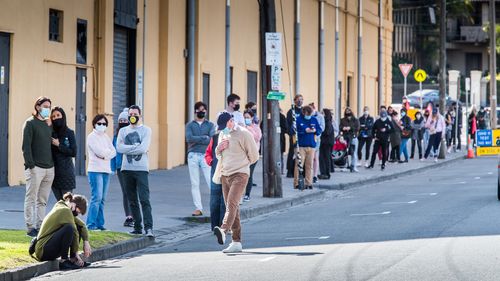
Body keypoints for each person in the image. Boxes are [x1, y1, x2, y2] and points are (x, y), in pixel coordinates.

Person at [213, 112, 259, 253]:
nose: (222, 129)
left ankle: (223, 229)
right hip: (225, 174)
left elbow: (254, 156)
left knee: (232, 203)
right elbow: (218, 154)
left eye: (224, 125)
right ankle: (236, 242)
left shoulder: (244, 134)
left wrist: (243, 166)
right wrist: (218, 148)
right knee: (232, 207)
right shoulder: (222, 134)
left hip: (240, 174)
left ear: (231, 121)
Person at [117, 105, 154, 237]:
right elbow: (119, 148)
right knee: (132, 200)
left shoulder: (146, 130)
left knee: (144, 199)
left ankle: (148, 227)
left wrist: (129, 148)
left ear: (140, 115)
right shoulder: (123, 131)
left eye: (135, 114)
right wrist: (134, 147)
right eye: (130, 114)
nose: (132, 116)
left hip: (141, 169)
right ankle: (137, 227)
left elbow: (143, 148)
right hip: (126, 169)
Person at [23, 97, 55, 237]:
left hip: (49, 168)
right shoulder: (30, 123)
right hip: (35, 168)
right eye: (45, 106)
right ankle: (30, 228)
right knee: (31, 198)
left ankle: (40, 226)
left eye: (49, 106)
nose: (48, 109)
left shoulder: (48, 124)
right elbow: (26, 147)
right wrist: (31, 165)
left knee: (42, 200)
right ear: (37, 107)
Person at [33, 192, 91, 270]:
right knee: (69, 228)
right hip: (43, 250)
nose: (77, 214)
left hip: (48, 247)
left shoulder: (64, 207)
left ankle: (73, 260)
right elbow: (74, 232)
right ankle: (64, 260)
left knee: (77, 226)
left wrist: (86, 242)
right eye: (77, 212)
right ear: (73, 204)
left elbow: (82, 225)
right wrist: (76, 253)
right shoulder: (64, 210)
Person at [86, 114, 116, 231]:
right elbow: (99, 152)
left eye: (104, 124)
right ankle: (90, 224)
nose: (102, 126)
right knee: (96, 197)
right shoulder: (91, 137)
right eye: (99, 123)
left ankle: (100, 224)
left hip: (106, 171)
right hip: (95, 170)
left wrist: (105, 155)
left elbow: (113, 151)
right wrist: (106, 154)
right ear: (94, 124)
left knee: (102, 199)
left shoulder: (106, 137)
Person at [186, 102, 215, 216]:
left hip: (205, 155)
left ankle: (215, 205)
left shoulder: (210, 125)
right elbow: (189, 138)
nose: (201, 112)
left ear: (206, 111)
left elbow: (211, 139)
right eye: (199, 110)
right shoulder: (190, 125)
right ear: (195, 111)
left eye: (203, 110)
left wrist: (198, 139)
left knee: (210, 181)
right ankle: (198, 208)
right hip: (192, 155)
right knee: (194, 183)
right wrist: (204, 137)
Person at [111, 108, 134, 227]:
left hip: (132, 166)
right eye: (121, 120)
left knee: (133, 191)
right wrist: (112, 168)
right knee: (125, 192)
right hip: (121, 168)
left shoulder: (132, 134)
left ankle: (135, 215)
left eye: (125, 120)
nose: (123, 122)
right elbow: (113, 152)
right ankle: (129, 216)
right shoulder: (116, 136)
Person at [292, 106, 323, 189]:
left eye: (310, 114)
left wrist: (315, 131)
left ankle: (308, 183)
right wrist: (304, 131)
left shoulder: (314, 119)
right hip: (301, 146)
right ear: (303, 112)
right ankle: (296, 183)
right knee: (299, 164)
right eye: (307, 114)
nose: (308, 115)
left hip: (311, 145)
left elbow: (320, 130)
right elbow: (293, 131)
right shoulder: (298, 119)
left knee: (310, 165)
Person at [50, 107, 77, 201]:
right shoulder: (51, 133)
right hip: (53, 173)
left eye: (58, 115)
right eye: (53, 116)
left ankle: (70, 216)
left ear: (63, 116)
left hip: (66, 173)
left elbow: (73, 152)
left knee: (67, 205)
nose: (56, 118)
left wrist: (59, 145)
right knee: (59, 204)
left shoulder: (69, 133)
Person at [205, 131, 226, 232]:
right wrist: (211, 162)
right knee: (214, 201)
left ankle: (223, 227)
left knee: (224, 202)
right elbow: (208, 153)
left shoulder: (234, 137)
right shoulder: (215, 137)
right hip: (216, 173)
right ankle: (214, 227)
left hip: (229, 173)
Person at [243, 110, 262, 202]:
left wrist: (248, 128)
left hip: (253, 155)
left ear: (252, 118)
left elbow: (257, 138)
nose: (246, 119)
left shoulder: (256, 127)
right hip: (242, 155)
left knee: (249, 174)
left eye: (248, 117)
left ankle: (247, 194)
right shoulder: (241, 127)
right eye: (245, 117)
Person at [286, 94, 304, 177]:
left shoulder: (304, 111)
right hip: (294, 135)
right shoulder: (291, 111)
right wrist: (291, 132)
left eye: (301, 99)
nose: (300, 101)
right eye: (298, 99)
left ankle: (301, 171)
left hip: (302, 135)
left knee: (301, 153)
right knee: (292, 152)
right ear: (295, 101)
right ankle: (289, 171)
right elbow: (288, 123)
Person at [340, 107, 360, 172]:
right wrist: (343, 128)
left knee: (354, 152)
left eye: (349, 110)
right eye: (346, 111)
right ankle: (346, 165)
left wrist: (350, 128)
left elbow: (357, 128)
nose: (348, 112)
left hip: (353, 137)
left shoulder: (355, 120)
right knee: (346, 152)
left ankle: (354, 166)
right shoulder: (342, 120)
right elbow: (340, 127)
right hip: (345, 138)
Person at [309, 103, 325, 183]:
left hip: (316, 139)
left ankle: (314, 176)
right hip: (307, 138)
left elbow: (322, 128)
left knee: (315, 157)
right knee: (309, 158)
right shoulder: (307, 116)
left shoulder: (320, 116)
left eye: (311, 109)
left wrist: (315, 132)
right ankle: (309, 175)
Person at [318, 108, 335, 179]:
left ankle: (326, 173)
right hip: (324, 142)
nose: (321, 114)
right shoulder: (325, 121)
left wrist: (319, 130)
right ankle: (323, 172)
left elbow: (327, 132)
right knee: (322, 158)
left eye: (322, 113)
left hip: (326, 143)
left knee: (325, 158)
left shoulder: (327, 121)